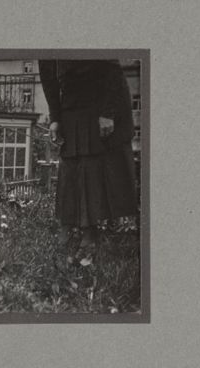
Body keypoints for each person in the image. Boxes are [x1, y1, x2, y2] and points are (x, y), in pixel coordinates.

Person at [39, 59, 138, 265]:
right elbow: (48, 77)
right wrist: (55, 117)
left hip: (101, 100)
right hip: (71, 104)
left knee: (91, 168)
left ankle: (89, 236)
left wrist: (108, 113)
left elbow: (111, 67)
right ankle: (66, 229)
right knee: (69, 166)